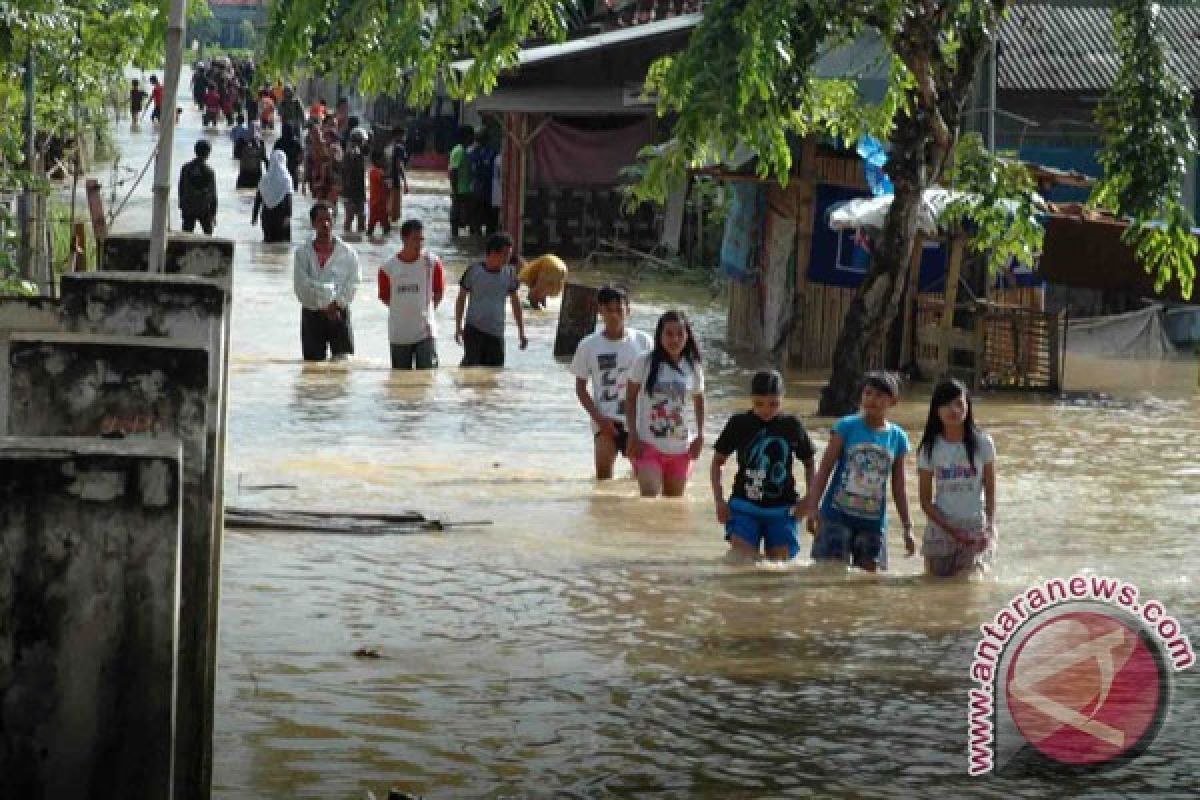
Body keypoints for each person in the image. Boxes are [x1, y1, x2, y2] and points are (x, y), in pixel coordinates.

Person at [801, 371, 914, 573]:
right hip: (835, 517)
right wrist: (812, 507)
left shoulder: (898, 438)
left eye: (880, 395)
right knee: (828, 577)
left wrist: (907, 527)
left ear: (893, 401)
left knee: (869, 584)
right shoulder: (846, 427)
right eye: (868, 393)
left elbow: (899, 486)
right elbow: (825, 469)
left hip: (873, 524)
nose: (872, 400)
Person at [711, 370, 816, 561]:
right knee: (742, 564)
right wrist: (719, 500)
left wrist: (810, 500)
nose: (766, 410)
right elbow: (718, 461)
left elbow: (809, 463)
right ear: (751, 399)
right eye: (759, 404)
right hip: (744, 506)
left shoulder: (792, 425)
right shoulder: (739, 423)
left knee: (778, 571)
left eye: (773, 404)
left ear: (783, 399)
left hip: (782, 510)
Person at [570, 286, 653, 480]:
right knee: (603, 478)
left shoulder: (644, 342)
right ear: (600, 311)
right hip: (606, 421)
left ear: (628, 310)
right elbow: (580, 388)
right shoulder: (588, 346)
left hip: (639, 423)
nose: (614, 316)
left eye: (619, 310)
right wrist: (599, 419)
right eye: (609, 310)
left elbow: (654, 382)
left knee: (642, 480)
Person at [917, 379, 997, 577]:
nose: (953, 409)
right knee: (935, 589)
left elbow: (991, 489)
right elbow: (925, 501)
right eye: (945, 404)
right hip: (941, 529)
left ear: (968, 407)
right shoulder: (929, 448)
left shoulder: (983, 443)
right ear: (936, 410)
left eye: (958, 403)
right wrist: (951, 529)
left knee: (966, 588)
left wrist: (989, 528)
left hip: (973, 528)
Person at [625, 310, 705, 498]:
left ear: (687, 336)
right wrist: (632, 434)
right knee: (649, 496)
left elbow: (699, 401)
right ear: (659, 335)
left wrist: (701, 435)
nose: (674, 339)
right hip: (648, 445)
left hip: (681, 449)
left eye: (680, 334)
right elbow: (630, 400)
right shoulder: (643, 362)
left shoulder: (693, 367)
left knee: (672, 505)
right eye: (668, 333)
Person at [293, 202, 360, 361]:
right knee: (312, 367)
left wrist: (335, 304)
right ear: (313, 223)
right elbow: (301, 286)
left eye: (329, 219)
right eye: (321, 220)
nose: (325, 224)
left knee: (343, 365)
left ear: (334, 221)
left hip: (339, 312)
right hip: (312, 314)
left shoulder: (348, 253)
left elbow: (353, 283)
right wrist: (324, 303)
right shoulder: (302, 253)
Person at [378, 219, 446, 369]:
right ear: (404, 238)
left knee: (427, 377)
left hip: (425, 332)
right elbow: (384, 297)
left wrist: (428, 312)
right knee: (400, 379)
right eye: (415, 239)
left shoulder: (432, 263)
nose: (419, 244)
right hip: (399, 333)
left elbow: (439, 291)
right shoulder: (388, 268)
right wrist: (403, 308)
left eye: (422, 239)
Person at [454, 232, 528, 367]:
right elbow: (461, 299)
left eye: (509, 254)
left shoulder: (510, 274)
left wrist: (521, 332)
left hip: (496, 333)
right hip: (474, 330)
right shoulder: (474, 271)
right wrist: (458, 326)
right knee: (471, 373)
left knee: (494, 375)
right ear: (493, 252)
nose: (507, 258)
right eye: (505, 254)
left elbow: (516, 304)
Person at [252, 151, 294, 243]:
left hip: (266, 216)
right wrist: (288, 216)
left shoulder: (264, 179)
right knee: (283, 245)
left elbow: (258, 199)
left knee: (268, 242)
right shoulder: (286, 179)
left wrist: (254, 217)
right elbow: (288, 199)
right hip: (281, 216)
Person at [178, 140, 218, 234]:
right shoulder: (209, 171)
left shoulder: (186, 168)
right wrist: (213, 214)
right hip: (203, 208)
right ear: (208, 153)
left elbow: (181, 188)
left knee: (186, 235)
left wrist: (182, 205)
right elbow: (213, 194)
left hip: (188, 206)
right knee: (208, 235)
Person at [448, 126, 474, 237]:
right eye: (472, 136)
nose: (473, 138)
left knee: (466, 217)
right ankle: (455, 238)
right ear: (467, 137)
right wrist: (455, 191)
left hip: (465, 189)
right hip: (461, 190)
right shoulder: (459, 151)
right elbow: (453, 171)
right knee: (457, 217)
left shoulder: (463, 150)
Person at [341, 128, 368, 234]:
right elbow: (348, 172)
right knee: (357, 217)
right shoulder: (354, 152)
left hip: (353, 190)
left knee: (351, 217)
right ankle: (353, 238)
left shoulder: (350, 152)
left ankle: (349, 237)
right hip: (353, 190)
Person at [388, 130, 410, 223]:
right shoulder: (400, 148)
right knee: (395, 212)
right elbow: (399, 165)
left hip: (386, 180)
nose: (405, 137)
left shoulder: (388, 147)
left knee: (388, 207)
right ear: (399, 136)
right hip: (395, 180)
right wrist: (405, 182)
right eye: (404, 135)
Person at [367, 152, 391, 237]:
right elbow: (387, 183)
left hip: (376, 203)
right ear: (377, 160)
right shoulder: (376, 171)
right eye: (382, 159)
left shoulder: (373, 171)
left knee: (372, 228)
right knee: (386, 228)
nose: (384, 161)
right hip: (378, 204)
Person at [274, 122, 304, 187]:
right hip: (291, 169)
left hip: (284, 171)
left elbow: (273, 157)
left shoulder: (279, 142)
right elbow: (301, 156)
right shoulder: (296, 142)